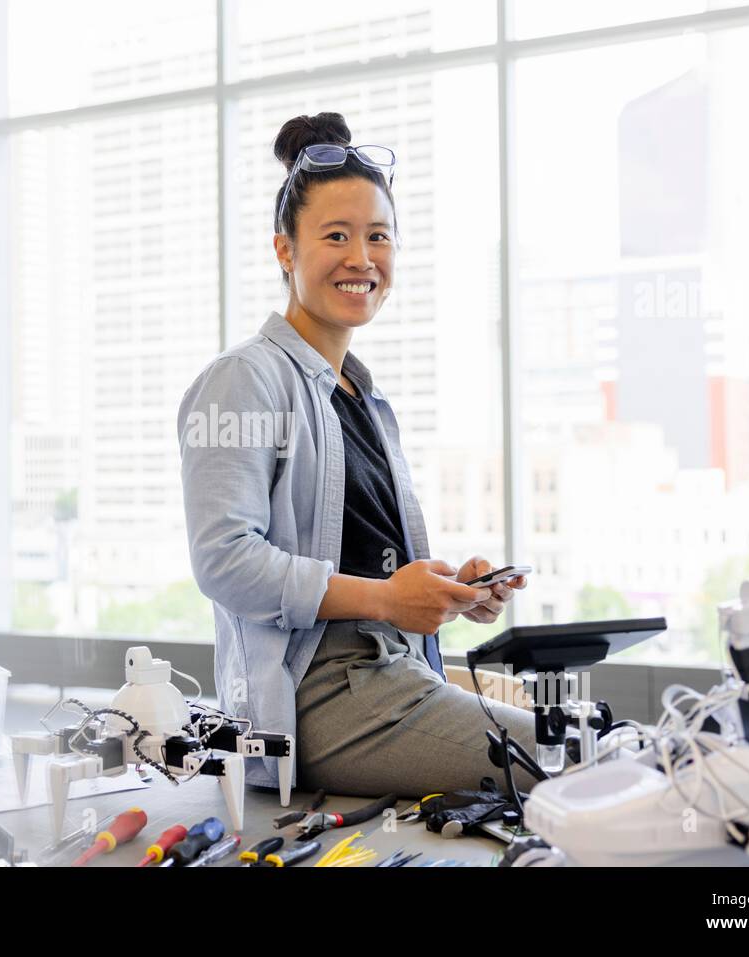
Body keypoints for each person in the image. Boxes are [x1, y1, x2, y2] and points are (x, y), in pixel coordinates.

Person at [177, 111, 540, 799]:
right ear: (285, 250)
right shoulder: (244, 378)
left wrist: (443, 592)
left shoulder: (362, 396)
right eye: (335, 236)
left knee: (592, 742)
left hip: (396, 669)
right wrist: (385, 597)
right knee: (576, 764)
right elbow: (223, 559)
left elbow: (361, 567)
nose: (361, 258)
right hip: (320, 696)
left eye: (379, 237)